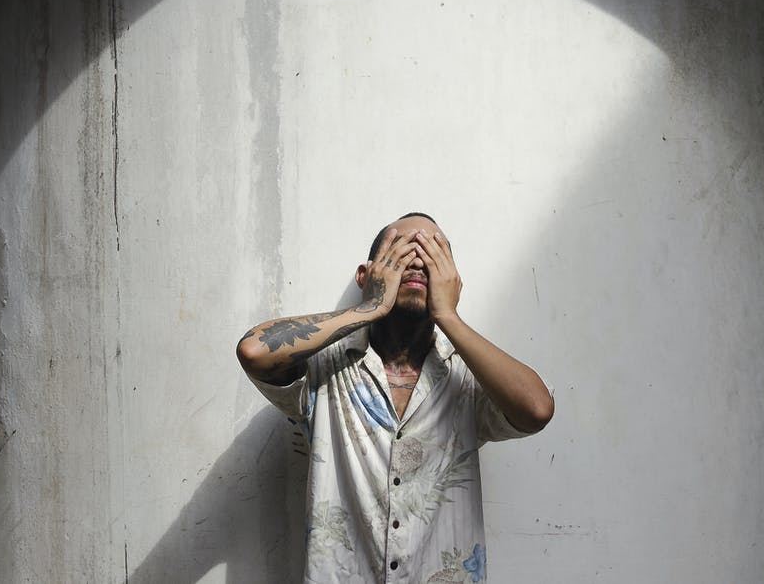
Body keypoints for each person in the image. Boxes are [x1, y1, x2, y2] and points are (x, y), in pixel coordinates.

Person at [236, 212, 554, 584]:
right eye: (402, 252)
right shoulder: (325, 370)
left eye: (433, 254)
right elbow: (255, 352)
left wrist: (448, 315)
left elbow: (537, 409)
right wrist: (371, 307)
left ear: (452, 281)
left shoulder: (466, 378)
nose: (418, 259)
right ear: (364, 274)